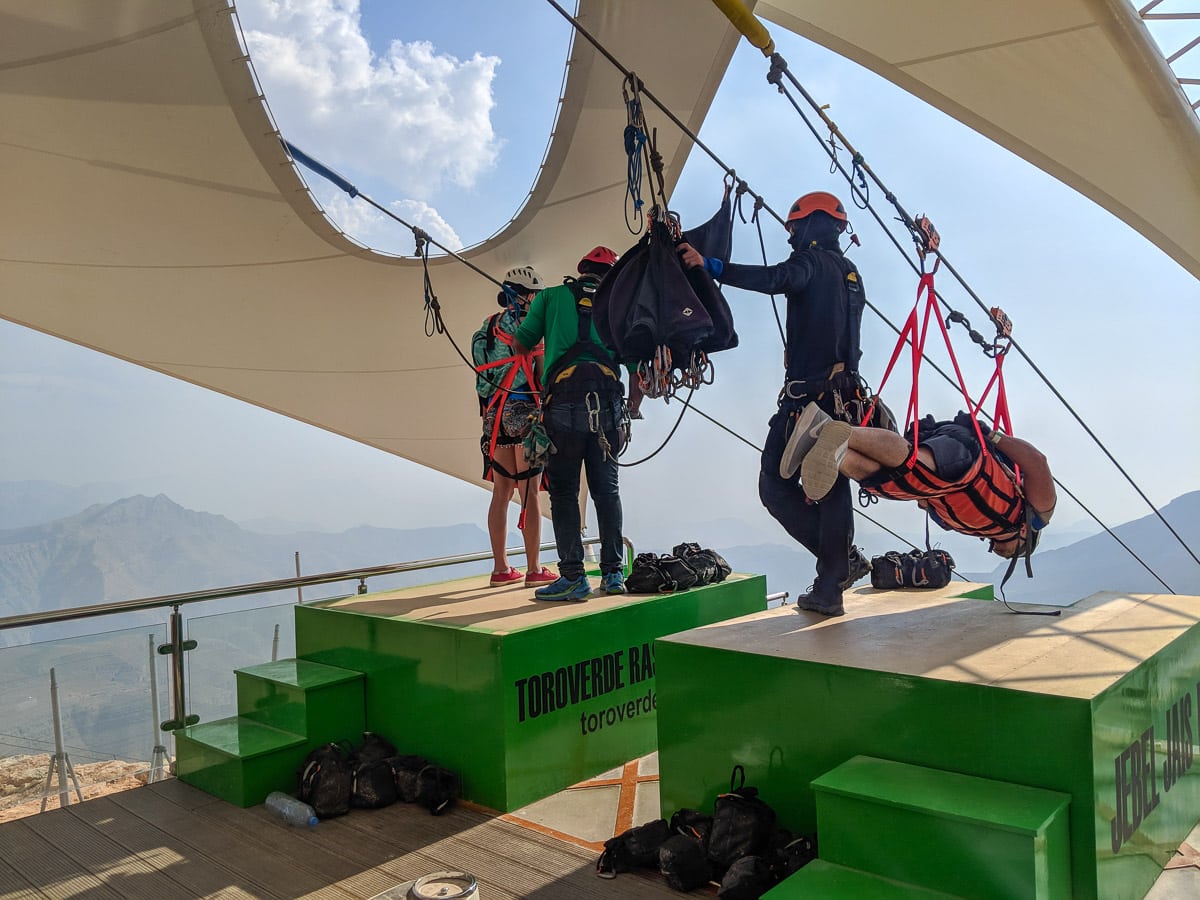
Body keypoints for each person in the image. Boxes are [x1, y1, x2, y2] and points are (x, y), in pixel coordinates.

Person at [679, 191, 871, 616]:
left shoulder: (811, 263)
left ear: (807, 225)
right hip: (845, 397)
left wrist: (711, 266)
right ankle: (831, 582)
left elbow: (777, 279)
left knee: (774, 486)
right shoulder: (850, 271)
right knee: (832, 488)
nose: (790, 237)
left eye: (793, 228)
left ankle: (835, 568)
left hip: (808, 401)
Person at [513, 247, 642, 602]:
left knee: (565, 493)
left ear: (581, 269)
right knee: (607, 491)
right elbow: (638, 372)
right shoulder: (620, 304)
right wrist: (632, 407)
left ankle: (573, 577)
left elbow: (521, 343)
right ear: (610, 276)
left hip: (562, 409)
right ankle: (614, 574)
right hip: (609, 413)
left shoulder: (551, 297)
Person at [792, 406, 1056, 562]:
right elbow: (1036, 462)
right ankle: (838, 431)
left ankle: (831, 449)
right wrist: (991, 434)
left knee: (889, 482)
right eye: (1013, 554)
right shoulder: (1035, 514)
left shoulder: (971, 527)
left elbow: (925, 501)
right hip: (968, 455)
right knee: (913, 466)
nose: (1000, 552)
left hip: (948, 475)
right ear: (1025, 539)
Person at [472, 266, 557, 588]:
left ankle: (501, 568)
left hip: (494, 415)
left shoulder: (488, 328)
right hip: (525, 413)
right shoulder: (532, 328)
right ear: (526, 294)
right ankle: (534, 568)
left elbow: (482, 379)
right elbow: (541, 374)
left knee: (502, 492)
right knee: (530, 493)